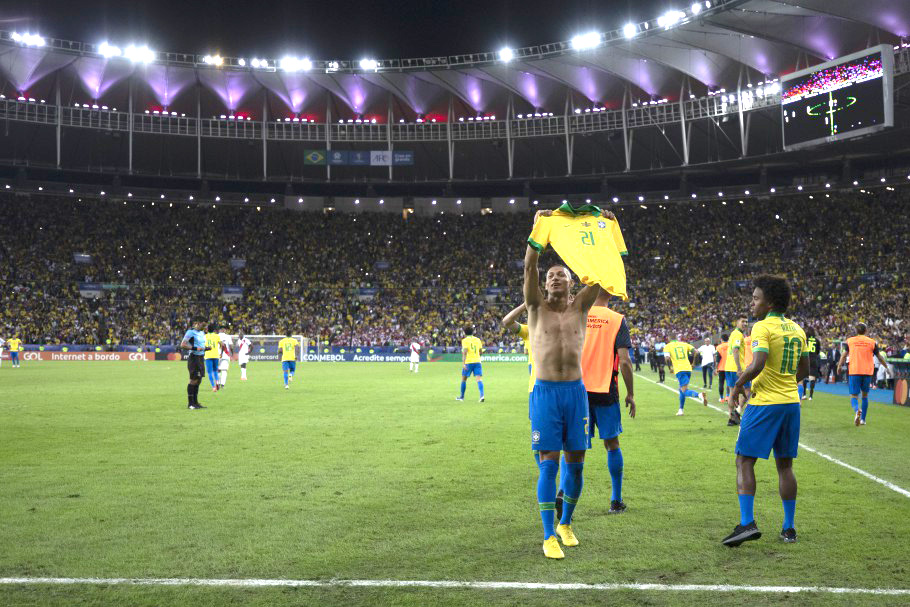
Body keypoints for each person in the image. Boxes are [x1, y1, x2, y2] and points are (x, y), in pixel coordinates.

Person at [524, 209, 604, 559]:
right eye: (552, 275)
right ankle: (547, 536)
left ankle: (566, 523)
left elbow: (601, 274)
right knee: (549, 462)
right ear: (545, 283)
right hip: (545, 393)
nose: (556, 278)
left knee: (577, 462)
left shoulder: (581, 307)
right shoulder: (535, 306)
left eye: (563, 275)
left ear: (573, 283)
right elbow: (529, 267)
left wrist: (601, 229)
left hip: (576, 393)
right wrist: (538, 230)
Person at [724, 275, 807, 547]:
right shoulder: (798, 329)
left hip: (764, 405)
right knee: (785, 465)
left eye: (756, 298)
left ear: (769, 302)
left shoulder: (761, 327)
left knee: (744, 460)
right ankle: (789, 528)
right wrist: (784, 386)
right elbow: (804, 371)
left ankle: (747, 523)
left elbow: (757, 363)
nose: (752, 303)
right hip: (791, 404)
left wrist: (737, 386)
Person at [580, 291, 635, 515]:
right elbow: (624, 362)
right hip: (605, 390)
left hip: (577, 390)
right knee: (612, 444)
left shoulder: (578, 314)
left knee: (574, 448)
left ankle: (564, 494)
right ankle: (616, 500)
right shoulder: (617, 319)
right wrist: (630, 394)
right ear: (610, 294)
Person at [836, 323, 890, 426]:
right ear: (866, 331)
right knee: (865, 396)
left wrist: (839, 366)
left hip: (855, 371)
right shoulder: (872, 342)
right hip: (867, 372)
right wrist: (886, 367)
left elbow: (843, 356)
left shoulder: (850, 341)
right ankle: (863, 420)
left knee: (854, 396)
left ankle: (857, 410)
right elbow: (879, 357)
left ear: (856, 331)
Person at [664, 335, 708, 415]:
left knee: (684, 390)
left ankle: (699, 395)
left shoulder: (667, 346)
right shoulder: (685, 344)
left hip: (679, 370)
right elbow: (697, 352)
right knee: (681, 389)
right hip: (688, 368)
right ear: (677, 339)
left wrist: (669, 368)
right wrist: (694, 363)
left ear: (669, 339)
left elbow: (667, 358)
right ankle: (681, 410)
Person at [724, 318, 749, 425]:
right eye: (742, 321)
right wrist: (739, 368)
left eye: (746, 322)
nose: (745, 324)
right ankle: (737, 412)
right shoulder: (738, 335)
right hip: (736, 368)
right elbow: (735, 350)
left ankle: (731, 418)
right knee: (747, 390)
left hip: (728, 367)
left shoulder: (733, 334)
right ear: (737, 322)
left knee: (732, 393)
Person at [179, 318, 208, 409]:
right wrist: (195, 348)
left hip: (201, 358)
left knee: (199, 380)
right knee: (193, 380)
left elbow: (200, 346)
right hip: (194, 358)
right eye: (203, 325)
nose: (204, 327)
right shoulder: (190, 332)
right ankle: (190, 404)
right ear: (198, 323)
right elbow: (183, 345)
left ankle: (196, 403)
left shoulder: (202, 333)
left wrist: (206, 348)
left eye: (205, 325)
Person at [457, 327, 484, 402]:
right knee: (479, 379)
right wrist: (477, 357)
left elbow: (465, 352)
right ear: (473, 332)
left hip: (468, 362)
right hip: (477, 362)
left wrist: (463, 363)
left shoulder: (465, 340)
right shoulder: (478, 340)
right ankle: (482, 396)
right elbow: (481, 352)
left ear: (465, 333)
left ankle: (462, 397)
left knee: (464, 379)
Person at [801, 326, 822, 400]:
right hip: (814, 359)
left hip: (806, 358)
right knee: (812, 378)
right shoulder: (817, 340)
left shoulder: (805, 340)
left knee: (804, 377)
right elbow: (818, 351)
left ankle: (803, 395)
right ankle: (810, 396)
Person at [203, 323, 221, 392]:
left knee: (209, 372)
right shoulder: (217, 336)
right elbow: (222, 344)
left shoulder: (205, 336)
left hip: (208, 356)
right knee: (215, 371)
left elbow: (202, 345)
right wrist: (221, 352)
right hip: (216, 355)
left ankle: (213, 387)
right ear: (214, 330)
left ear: (207, 330)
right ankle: (217, 382)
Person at [716, 334, 730, 403]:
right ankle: (727, 396)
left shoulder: (719, 347)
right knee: (728, 382)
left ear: (721, 339)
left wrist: (715, 369)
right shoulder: (731, 345)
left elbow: (717, 359)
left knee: (721, 383)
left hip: (721, 367)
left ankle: (721, 398)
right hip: (730, 367)